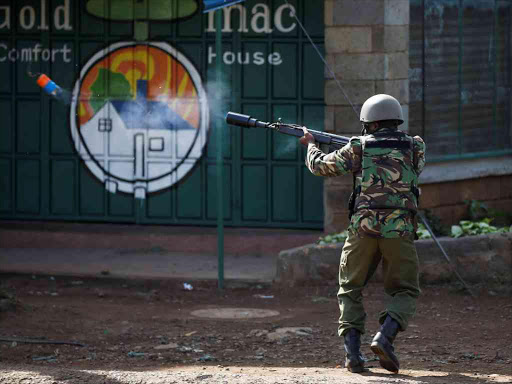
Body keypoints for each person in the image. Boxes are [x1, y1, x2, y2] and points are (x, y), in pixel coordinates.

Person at [299, 94, 426, 374]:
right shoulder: (416, 146)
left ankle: (353, 356)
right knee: (405, 289)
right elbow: (409, 170)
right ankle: (385, 337)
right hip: (400, 229)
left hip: (363, 229)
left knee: (350, 287)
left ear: (370, 122)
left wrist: (311, 146)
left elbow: (321, 166)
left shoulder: (358, 147)